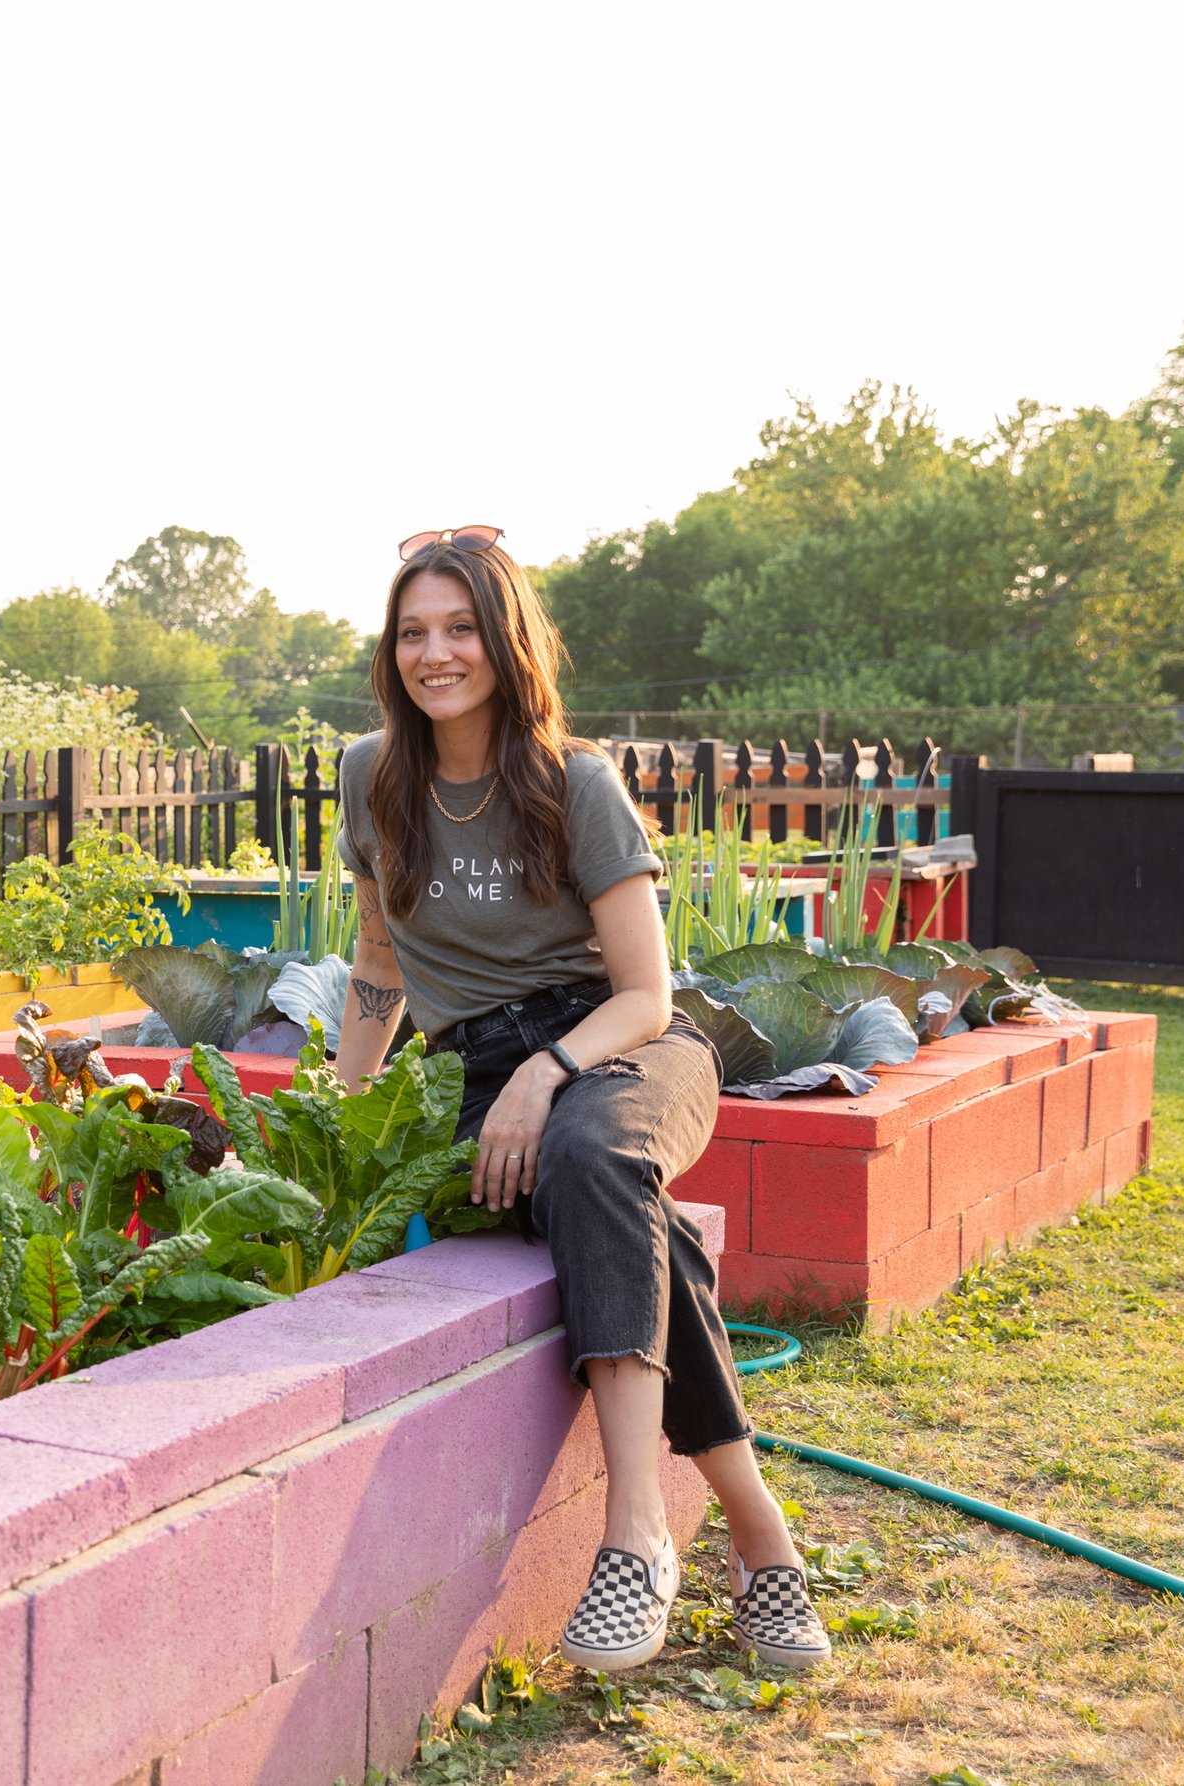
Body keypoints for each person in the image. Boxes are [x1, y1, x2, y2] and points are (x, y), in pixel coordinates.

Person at [331, 526, 831, 1674]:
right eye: (412, 631)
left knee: (595, 1156)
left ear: (504, 639)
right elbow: (378, 960)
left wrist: (543, 1076)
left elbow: (646, 995)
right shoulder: (372, 777)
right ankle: (763, 1542)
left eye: (459, 627)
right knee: (629, 1221)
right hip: (474, 1076)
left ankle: (634, 1531)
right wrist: (339, 1121)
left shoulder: (573, 781)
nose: (433, 652)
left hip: (621, 1048)